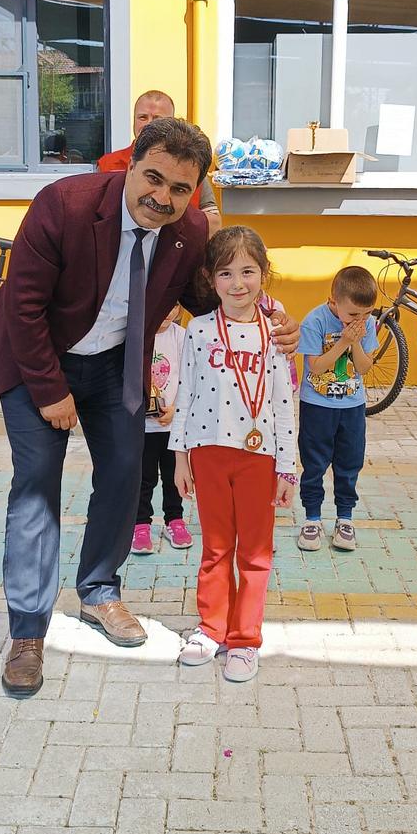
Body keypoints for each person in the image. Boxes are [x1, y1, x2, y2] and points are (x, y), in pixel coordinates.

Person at [0, 118, 300, 696]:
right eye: (153, 178)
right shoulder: (64, 205)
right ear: (130, 164)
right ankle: (27, 630)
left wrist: (272, 315)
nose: (163, 198)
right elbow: (22, 307)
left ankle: (99, 590)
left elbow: (211, 296)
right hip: (35, 359)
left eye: (180, 188)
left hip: (114, 365)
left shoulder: (188, 230)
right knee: (37, 484)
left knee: (126, 473)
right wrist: (50, 391)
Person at [170, 226, 297, 683]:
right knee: (216, 547)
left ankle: (245, 639)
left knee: (256, 553)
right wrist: (180, 457)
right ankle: (211, 629)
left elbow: (283, 403)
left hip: (259, 458)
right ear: (210, 278)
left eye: (248, 271)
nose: (237, 283)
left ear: (264, 274)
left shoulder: (276, 335)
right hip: (207, 453)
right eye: (225, 273)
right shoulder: (199, 329)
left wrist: (288, 468)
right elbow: (184, 394)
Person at [297, 266, 378, 554]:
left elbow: (364, 367)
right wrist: (344, 341)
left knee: (349, 462)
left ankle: (345, 518)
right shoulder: (315, 321)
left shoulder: (367, 324)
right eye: (354, 314)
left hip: (352, 406)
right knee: (314, 463)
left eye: (367, 313)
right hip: (317, 406)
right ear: (333, 301)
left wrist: (355, 342)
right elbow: (316, 367)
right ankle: (312, 518)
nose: (360, 320)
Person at [97, 89, 221, 235]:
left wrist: (169, 224)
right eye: (142, 117)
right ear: (132, 166)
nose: (148, 124)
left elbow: (214, 223)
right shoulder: (108, 163)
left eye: (157, 119)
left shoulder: (191, 169)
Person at [131, 303, 192, 555]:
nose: (168, 311)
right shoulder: (136, 333)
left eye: (174, 305)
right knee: (143, 478)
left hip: (172, 427)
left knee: (173, 476)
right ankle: (140, 524)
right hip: (142, 427)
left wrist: (176, 409)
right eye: (163, 303)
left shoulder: (182, 336)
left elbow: (190, 378)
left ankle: (174, 520)